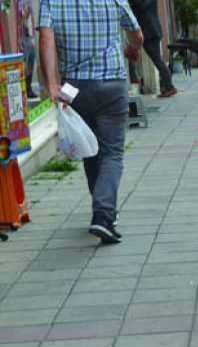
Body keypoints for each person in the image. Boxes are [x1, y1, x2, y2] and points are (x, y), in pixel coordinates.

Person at [38, 0, 144, 244]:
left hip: (75, 88)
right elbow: (137, 35)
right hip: (111, 84)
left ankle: (103, 211)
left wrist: (51, 84)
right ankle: (103, 214)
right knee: (112, 153)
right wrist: (131, 48)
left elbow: (46, 39)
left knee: (90, 149)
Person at [128, 0, 178, 98]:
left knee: (157, 60)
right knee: (156, 59)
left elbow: (141, 6)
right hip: (151, 31)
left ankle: (169, 87)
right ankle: (165, 86)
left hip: (149, 32)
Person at [18, 1, 37, 99]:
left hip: (28, 35)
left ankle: (28, 88)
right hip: (19, 36)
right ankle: (22, 91)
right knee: (24, 64)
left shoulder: (28, 2)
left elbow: (31, 17)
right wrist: (24, 14)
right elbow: (18, 21)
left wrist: (33, 35)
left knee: (30, 62)